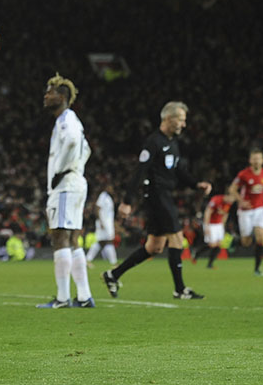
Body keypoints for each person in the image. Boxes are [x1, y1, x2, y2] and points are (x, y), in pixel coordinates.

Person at [102, 101, 212, 300]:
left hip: (164, 195)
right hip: (156, 196)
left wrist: (196, 184)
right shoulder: (153, 142)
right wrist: (127, 200)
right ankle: (180, 289)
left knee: (154, 247)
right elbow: (139, 171)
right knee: (177, 238)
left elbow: (179, 171)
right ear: (168, 119)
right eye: (181, 120)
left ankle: (113, 274)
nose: (183, 125)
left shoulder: (172, 143)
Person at [36, 74, 95, 309]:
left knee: (59, 236)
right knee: (72, 239)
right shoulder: (72, 119)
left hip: (66, 184)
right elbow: (86, 148)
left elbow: (71, 141)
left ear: (61, 97)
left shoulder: (65, 120)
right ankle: (84, 296)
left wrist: (62, 169)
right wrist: (76, 166)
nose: (46, 96)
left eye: (49, 92)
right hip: (76, 181)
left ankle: (62, 298)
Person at [227, 149, 263, 276]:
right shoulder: (243, 174)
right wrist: (241, 201)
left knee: (260, 237)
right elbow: (232, 189)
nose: (257, 161)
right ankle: (236, 239)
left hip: (260, 209)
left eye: (259, 158)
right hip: (245, 211)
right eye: (254, 158)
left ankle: (257, 269)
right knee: (246, 242)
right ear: (250, 160)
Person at [191, 194, 235, 268]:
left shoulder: (229, 203)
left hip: (219, 224)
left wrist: (222, 226)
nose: (232, 201)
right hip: (210, 224)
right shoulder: (216, 200)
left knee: (219, 244)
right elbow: (207, 212)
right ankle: (197, 253)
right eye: (231, 199)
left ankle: (210, 264)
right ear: (227, 196)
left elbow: (225, 214)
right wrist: (206, 226)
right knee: (212, 244)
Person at [85, 184, 118, 268]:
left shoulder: (108, 197)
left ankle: (87, 260)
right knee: (108, 241)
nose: (111, 189)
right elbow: (97, 208)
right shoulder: (103, 196)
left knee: (101, 242)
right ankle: (114, 263)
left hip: (107, 223)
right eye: (110, 187)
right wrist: (100, 221)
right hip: (104, 223)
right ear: (106, 188)